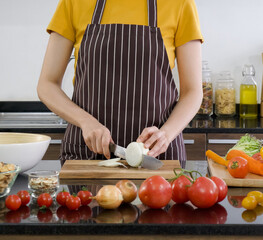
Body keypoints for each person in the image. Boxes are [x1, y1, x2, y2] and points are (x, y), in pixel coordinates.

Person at [37, 0, 204, 167]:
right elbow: (47, 84)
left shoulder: (180, 4)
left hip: (154, 155)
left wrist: (166, 134)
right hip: (87, 153)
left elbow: (192, 91)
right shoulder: (74, 2)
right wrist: (85, 122)